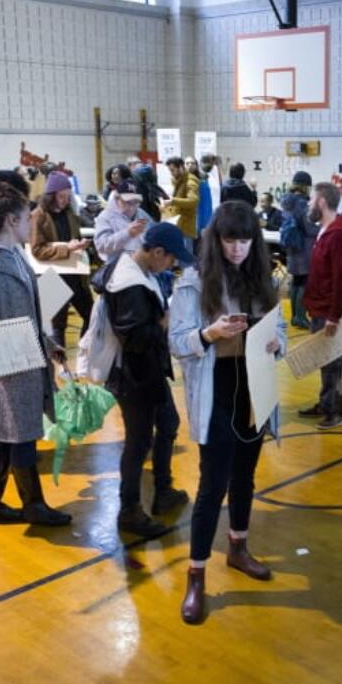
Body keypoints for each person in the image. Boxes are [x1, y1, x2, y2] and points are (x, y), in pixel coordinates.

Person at [169, 201, 287, 624]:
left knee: (245, 477)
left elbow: (281, 328)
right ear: (216, 240)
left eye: (244, 239)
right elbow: (177, 342)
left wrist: (277, 343)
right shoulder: (193, 282)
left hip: (253, 388)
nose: (237, 248)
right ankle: (196, 573)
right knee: (211, 485)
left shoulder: (262, 279)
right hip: (215, 389)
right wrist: (209, 333)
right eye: (230, 239)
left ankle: (238, 547)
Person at [0, 180, 71, 527]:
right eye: (27, 218)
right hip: (7, 366)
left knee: (12, 439)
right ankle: (32, 505)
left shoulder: (16, 255)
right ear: (12, 221)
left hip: (25, 359)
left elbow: (27, 310)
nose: (31, 224)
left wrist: (50, 344)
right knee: (18, 437)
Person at [105, 222, 193, 537]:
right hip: (134, 377)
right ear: (157, 252)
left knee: (168, 425)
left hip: (147, 373)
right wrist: (166, 320)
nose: (171, 266)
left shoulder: (134, 270)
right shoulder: (131, 284)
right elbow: (135, 337)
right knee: (138, 442)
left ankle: (163, 490)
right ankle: (129, 510)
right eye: (170, 259)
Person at [300, 181, 342, 430]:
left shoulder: (340, 235)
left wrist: (334, 316)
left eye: (311, 201)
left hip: (330, 311)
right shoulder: (325, 230)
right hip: (320, 307)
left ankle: (338, 410)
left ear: (322, 202)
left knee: (335, 362)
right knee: (325, 360)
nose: (309, 205)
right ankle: (326, 403)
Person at [30, 171, 93, 349]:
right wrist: (67, 248)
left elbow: (74, 237)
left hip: (75, 276)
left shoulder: (70, 213)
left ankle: (83, 352)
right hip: (53, 277)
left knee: (92, 315)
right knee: (58, 327)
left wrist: (80, 245)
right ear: (51, 196)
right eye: (61, 196)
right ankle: (62, 371)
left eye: (67, 195)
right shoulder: (38, 215)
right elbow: (37, 250)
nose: (65, 200)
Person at [278, 171, 319, 329]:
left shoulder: (286, 200)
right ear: (305, 186)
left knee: (296, 281)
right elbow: (308, 228)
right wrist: (323, 228)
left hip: (292, 247)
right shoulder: (302, 203)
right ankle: (301, 317)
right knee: (304, 282)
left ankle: (295, 316)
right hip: (303, 248)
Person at [93, 180, 150, 263]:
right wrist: (127, 233)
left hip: (141, 266)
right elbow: (101, 246)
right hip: (116, 267)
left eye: (135, 202)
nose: (131, 207)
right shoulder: (105, 217)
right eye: (127, 202)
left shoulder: (142, 214)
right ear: (117, 198)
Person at [162, 156, 200, 248]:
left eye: (173, 170)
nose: (171, 173)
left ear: (181, 167)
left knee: (185, 260)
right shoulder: (178, 181)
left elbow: (193, 201)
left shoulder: (190, 181)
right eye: (170, 171)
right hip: (177, 226)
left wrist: (172, 201)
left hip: (185, 229)